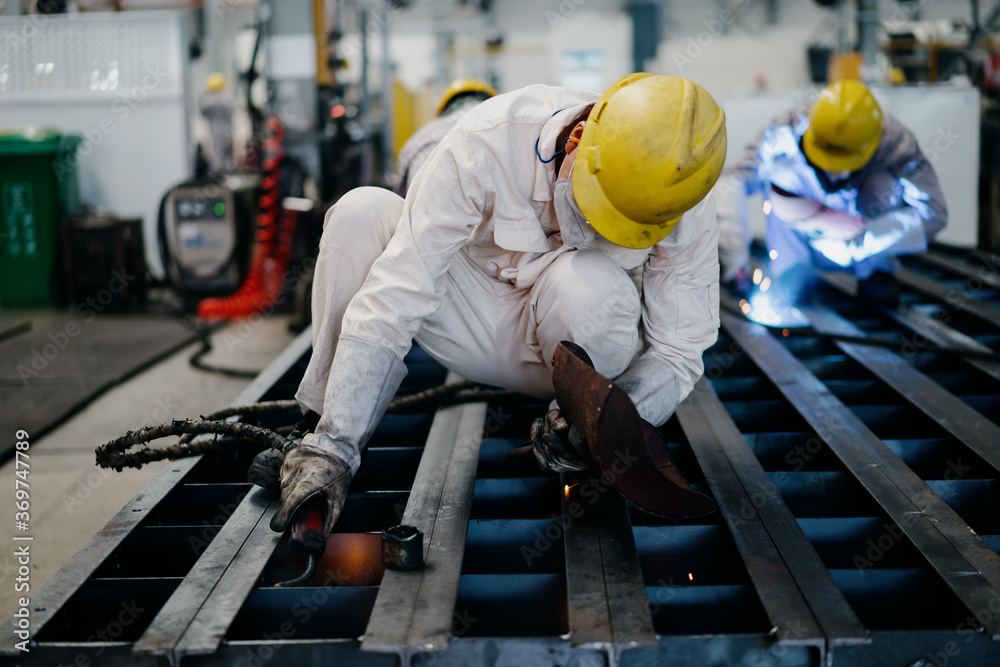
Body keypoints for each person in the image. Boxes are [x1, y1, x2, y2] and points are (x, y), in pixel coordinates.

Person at [270, 73, 728, 537]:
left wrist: (616, 422)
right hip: (475, 322)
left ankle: (576, 427)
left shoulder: (680, 198)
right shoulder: (485, 142)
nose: (597, 227)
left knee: (586, 282)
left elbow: (679, 349)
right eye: (598, 206)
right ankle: (316, 435)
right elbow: (399, 291)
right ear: (576, 140)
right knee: (360, 213)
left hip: (578, 358)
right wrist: (337, 443)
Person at [716, 80, 947, 307]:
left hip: (861, 232)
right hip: (806, 228)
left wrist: (862, 242)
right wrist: (733, 251)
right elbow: (734, 179)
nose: (831, 173)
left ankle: (876, 271)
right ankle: (792, 269)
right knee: (779, 172)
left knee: (884, 184)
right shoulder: (786, 129)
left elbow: (934, 213)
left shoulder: (896, 142)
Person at [392, 79, 497, 196]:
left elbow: (400, 193)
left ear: (444, 108)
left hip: (422, 208)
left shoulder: (420, 136)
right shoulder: (498, 130)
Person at [200, 73, 234, 174]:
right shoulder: (225, 100)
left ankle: (214, 175)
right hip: (227, 131)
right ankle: (229, 173)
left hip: (216, 132)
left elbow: (203, 111)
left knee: (217, 155)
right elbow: (231, 113)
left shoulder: (209, 101)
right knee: (227, 156)